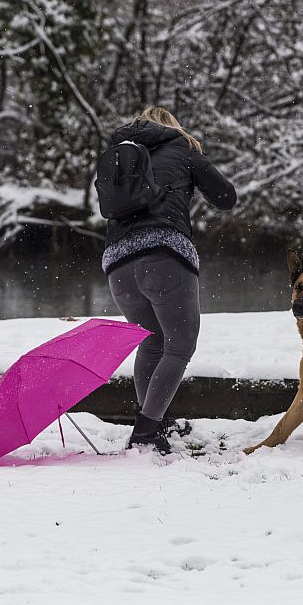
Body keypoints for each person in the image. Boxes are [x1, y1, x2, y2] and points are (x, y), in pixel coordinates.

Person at [101, 107, 237, 453]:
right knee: (179, 344)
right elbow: (226, 197)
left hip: (117, 262)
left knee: (152, 341)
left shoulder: (120, 155)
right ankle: (146, 432)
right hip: (163, 255)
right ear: (172, 127)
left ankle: (154, 421)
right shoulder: (182, 148)